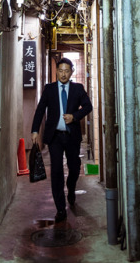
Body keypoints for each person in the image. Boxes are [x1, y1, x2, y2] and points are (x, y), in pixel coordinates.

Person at [31, 57, 93, 222]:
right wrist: (35, 130)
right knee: (56, 171)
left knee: (74, 168)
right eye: (60, 70)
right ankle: (60, 209)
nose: (63, 74)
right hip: (55, 137)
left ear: (71, 72)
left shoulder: (78, 89)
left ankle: (71, 189)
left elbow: (88, 106)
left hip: (72, 136)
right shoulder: (49, 89)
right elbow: (40, 110)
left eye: (67, 71)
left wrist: (74, 116)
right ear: (56, 72)